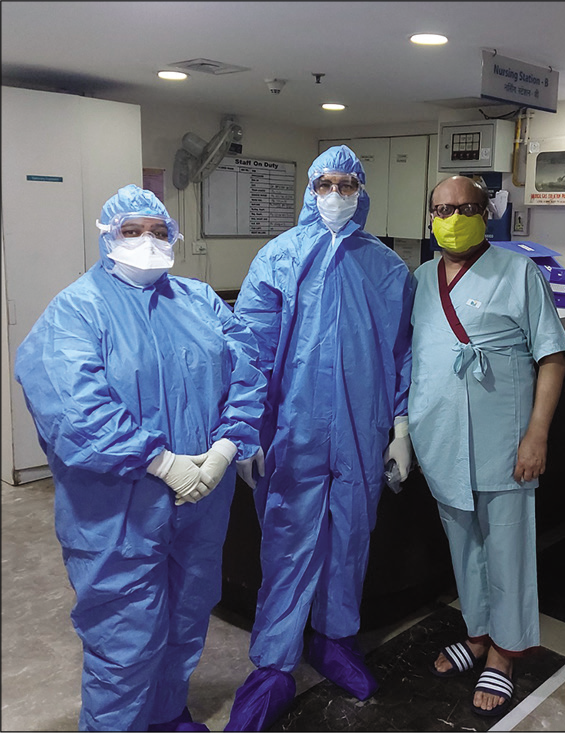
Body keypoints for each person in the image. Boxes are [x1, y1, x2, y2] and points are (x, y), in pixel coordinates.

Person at [14, 184, 266, 732]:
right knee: (124, 639)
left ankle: (167, 712)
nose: (147, 242)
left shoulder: (198, 301)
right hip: (118, 512)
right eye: (132, 231)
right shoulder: (77, 311)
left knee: (186, 617)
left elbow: (247, 370)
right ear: (107, 237)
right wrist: (159, 462)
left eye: (158, 231)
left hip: (203, 497)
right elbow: (73, 409)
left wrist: (226, 446)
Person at [224, 145, 415, 731]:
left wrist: (401, 426)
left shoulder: (386, 267)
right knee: (286, 541)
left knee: (351, 537)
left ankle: (335, 639)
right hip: (293, 429)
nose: (336, 194)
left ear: (361, 192)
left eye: (346, 185)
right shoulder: (278, 258)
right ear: (311, 190)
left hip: (362, 429)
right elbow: (248, 348)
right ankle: (274, 665)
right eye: (326, 183)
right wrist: (244, 430)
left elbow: (405, 351)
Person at [408, 175, 565, 717]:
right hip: (441, 437)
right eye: (441, 209)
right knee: (465, 548)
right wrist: (405, 430)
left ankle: (504, 651)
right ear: (430, 216)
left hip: (504, 440)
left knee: (506, 550)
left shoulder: (519, 272)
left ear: (487, 212)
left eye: (465, 207)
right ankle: (476, 633)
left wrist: (536, 434)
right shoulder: (422, 275)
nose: (452, 218)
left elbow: (552, 355)